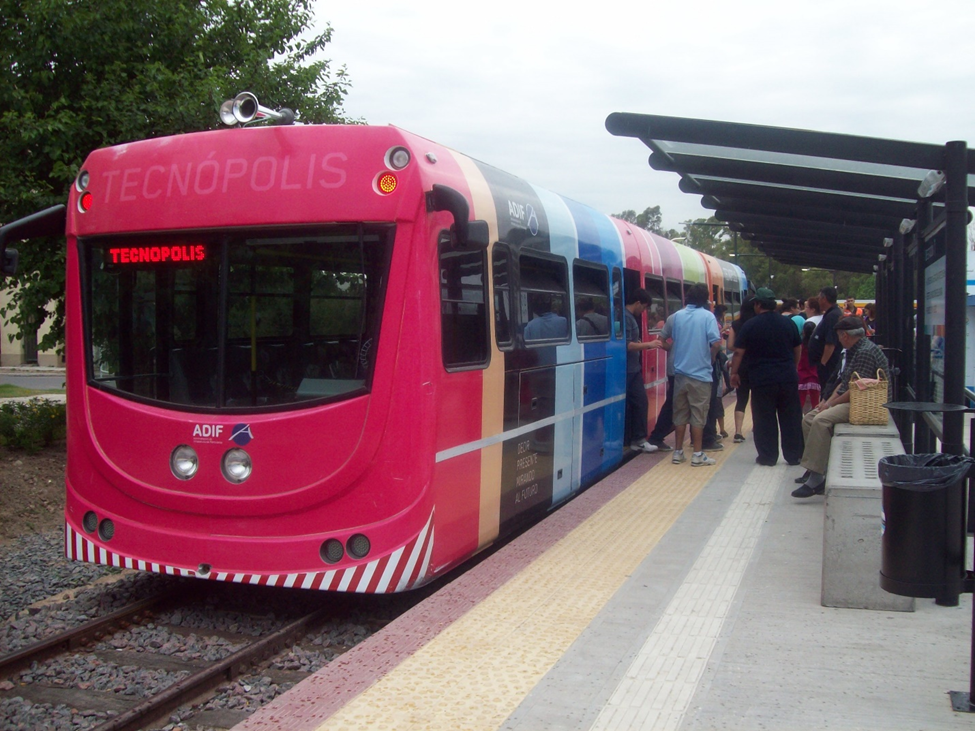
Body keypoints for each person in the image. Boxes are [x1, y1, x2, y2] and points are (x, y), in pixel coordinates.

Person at [792, 316, 890, 497]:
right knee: (808, 419)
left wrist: (829, 405)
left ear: (845, 335)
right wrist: (825, 402)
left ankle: (816, 477)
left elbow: (854, 390)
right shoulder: (855, 349)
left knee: (821, 420)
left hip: (864, 403)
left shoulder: (865, 353)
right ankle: (818, 467)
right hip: (854, 398)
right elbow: (845, 382)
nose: (837, 339)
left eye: (838, 335)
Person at [729, 288, 803, 466]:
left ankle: (768, 456)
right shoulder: (788, 323)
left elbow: (739, 352)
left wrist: (734, 373)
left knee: (764, 418)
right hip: (787, 377)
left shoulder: (751, 325)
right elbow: (797, 348)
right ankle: (794, 456)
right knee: (791, 417)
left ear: (758, 304)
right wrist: (792, 367)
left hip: (762, 379)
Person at [666, 283, 722, 467]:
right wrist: (711, 359)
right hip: (701, 375)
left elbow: (671, 339)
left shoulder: (677, 316)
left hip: (680, 374)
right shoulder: (708, 316)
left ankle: (678, 452)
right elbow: (716, 343)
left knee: (680, 414)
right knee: (698, 415)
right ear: (705, 299)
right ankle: (697, 454)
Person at [623, 289, 659, 454]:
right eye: (643, 307)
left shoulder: (627, 317)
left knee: (637, 402)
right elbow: (627, 345)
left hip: (632, 368)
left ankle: (635, 438)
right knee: (640, 402)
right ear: (638, 303)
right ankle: (638, 439)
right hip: (629, 369)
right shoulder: (626, 318)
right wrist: (648, 345)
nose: (643, 311)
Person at [728, 295, 757, 443]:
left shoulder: (736, 324)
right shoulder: (758, 323)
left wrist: (740, 349)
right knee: (757, 398)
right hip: (757, 365)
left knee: (741, 398)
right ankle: (756, 426)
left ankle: (738, 431)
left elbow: (730, 346)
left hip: (740, 366)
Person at [808, 286, 842, 389]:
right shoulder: (830, 314)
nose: (818, 301)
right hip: (825, 364)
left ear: (824, 299)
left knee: (827, 390)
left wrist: (823, 363)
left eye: (819, 298)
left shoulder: (832, 316)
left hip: (828, 366)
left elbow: (830, 343)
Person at [797, 320, 821, 413]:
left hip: (801, 374)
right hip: (814, 375)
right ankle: (814, 419)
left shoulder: (800, 346)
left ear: (803, 331)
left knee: (800, 400)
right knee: (815, 401)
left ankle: (798, 420)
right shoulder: (817, 346)